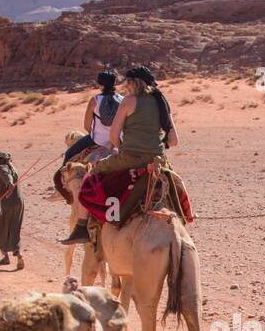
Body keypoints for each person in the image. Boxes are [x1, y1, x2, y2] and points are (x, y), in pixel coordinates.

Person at [61, 64, 179, 242]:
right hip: (158, 160)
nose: (126, 86)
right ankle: (183, 216)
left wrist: (125, 148)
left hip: (129, 158)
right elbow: (174, 141)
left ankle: (82, 227)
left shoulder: (129, 101)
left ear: (133, 83)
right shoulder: (161, 101)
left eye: (128, 83)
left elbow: (113, 136)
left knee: (88, 177)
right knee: (175, 182)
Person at [62, 69, 123, 168]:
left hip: (97, 140)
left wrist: (96, 134)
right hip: (118, 141)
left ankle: (59, 181)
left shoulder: (95, 100)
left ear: (101, 86)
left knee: (69, 154)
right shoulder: (122, 99)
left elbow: (86, 126)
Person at [0, 151, 24, 269]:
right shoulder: (13, 167)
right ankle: (19, 255)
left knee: (2, 229)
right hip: (18, 203)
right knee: (15, 229)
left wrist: (9, 184)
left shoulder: (1, 167)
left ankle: (6, 257)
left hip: (5, 204)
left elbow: (5, 174)